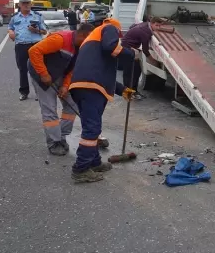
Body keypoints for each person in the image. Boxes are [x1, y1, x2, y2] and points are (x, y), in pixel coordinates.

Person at [68, 18, 136, 183]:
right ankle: (81, 169)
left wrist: (122, 89)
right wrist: (131, 53)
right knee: (92, 130)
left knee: (91, 126)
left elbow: (101, 71)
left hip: (84, 86)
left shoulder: (92, 40)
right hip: (91, 87)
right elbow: (111, 47)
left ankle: (94, 162)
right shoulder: (110, 27)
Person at [28, 23, 94, 155]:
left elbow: (72, 69)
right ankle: (54, 142)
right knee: (49, 108)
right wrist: (43, 74)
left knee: (71, 104)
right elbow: (33, 51)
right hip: (42, 74)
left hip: (59, 74)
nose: (89, 44)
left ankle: (61, 136)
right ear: (81, 35)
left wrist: (65, 85)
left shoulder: (81, 47)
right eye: (88, 40)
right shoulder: (60, 39)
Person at [8, 0, 47, 101]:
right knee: (22, 69)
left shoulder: (37, 16)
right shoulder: (15, 17)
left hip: (35, 45)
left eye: (28, 3)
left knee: (37, 69)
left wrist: (36, 31)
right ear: (19, 5)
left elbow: (44, 31)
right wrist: (11, 33)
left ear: (31, 4)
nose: (26, 5)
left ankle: (39, 92)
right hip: (21, 45)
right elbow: (10, 28)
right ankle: (24, 92)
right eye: (23, 3)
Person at [119, 16, 163, 100]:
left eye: (160, 26)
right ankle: (128, 94)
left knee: (136, 71)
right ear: (152, 23)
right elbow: (145, 50)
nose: (158, 28)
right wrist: (154, 61)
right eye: (157, 25)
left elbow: (132, 27)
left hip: (130, 47)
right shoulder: (146, 32)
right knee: (130, 73)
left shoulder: (146, 25)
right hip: (128, 48)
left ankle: (133, 92)